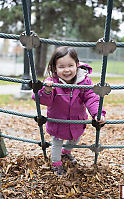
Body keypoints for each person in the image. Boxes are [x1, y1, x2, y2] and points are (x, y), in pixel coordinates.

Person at [32, 46, 106, 175]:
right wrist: (47, 91)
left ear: (77, 65)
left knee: (75, 139)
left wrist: (97, 113)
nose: (66, 70)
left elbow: (91, 98)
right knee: (56, 144)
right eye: (61, 67)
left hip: (77, 121)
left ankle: (66, 153)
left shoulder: (84, 81)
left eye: (70, 65)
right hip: (58, 122)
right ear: (55, 68)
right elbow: (41, 100)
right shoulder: (51, 82)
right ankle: (56, 164)